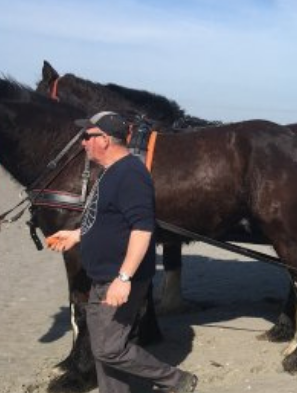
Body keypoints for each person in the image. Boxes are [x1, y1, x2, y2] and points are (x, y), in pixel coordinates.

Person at [46, 111, 198, 393]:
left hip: (119, 279)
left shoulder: (131, 175)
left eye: (87, 136)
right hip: (102, 277)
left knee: (107, 349)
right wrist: (76, 234)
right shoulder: (110, 172)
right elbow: (106, 220)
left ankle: (175, 380)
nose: (83, 143)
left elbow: (142, 230)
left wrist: (124, 278)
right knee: (105, 349)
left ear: (105, 139)